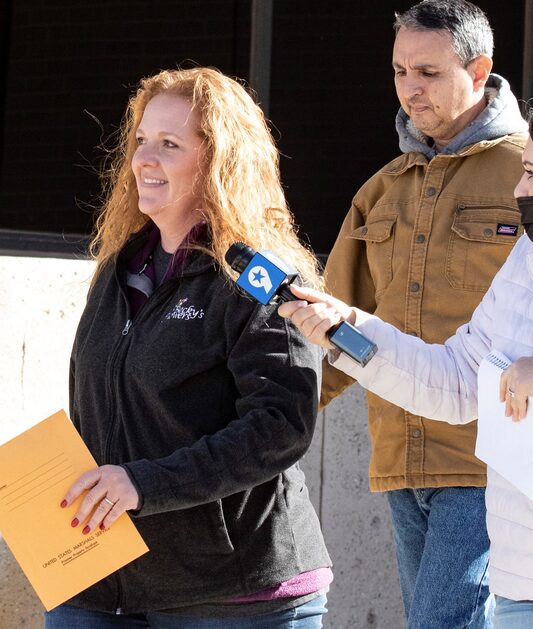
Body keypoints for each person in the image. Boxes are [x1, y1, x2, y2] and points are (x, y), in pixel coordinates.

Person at [280, 98, 533, 628]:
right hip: (530, 593)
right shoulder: (527, 260)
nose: (519, 190)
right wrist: (347, 330)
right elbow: (459, 380)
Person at [47, 67, 332, 628]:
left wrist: (144, 484)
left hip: (231, 592)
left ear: (220, 162)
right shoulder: (119, 269)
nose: (144, 160)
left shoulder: (258, 276)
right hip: (102, 583)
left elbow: (280, 425)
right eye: (140, 142)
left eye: (170, 145)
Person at [319, 1, 528, 627]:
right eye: (400, 71)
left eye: (429, 73)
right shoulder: (381, 190)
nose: (411, 88)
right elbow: (331, 329)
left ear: (480, 68)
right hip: (399, 458)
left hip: (490, 457)